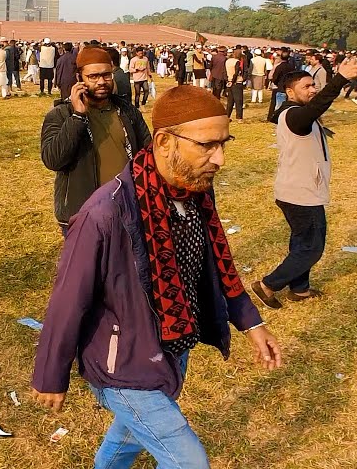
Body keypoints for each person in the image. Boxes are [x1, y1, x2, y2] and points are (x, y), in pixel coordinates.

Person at [31, 85, 282, 469]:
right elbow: (69, 298)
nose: (221, 159)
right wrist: (51, 373)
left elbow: (217, 259)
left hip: (173, 348)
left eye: (224, 144)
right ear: (164, 141)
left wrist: (251, 321)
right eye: (208, 146)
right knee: (189, 462)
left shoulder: (195, 191)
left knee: (127, 439)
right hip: (123, 365)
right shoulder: (106, 213)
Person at [250, 57, 357, 310]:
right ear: (289, 92)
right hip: (301, 193)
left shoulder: (297, 114)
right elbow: (316, 108)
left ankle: (299, 289)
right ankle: (268, 285)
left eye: (314, 85)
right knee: (312, 248)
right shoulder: (294, 115)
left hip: (302, 189)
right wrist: (340, 79)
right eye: (306, 86)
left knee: (301, 242)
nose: (313, 90)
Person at [41, 46, 152, 232]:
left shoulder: (127, 111)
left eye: (106, 75)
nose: (101, 82)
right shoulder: (61, 115)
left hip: (127, 208)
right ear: (79, 79)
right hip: (83, 214)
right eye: (93, 77)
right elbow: (53, 160)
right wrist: (77, 117)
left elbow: (147, 153)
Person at [224, 49, 248, 121]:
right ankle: (239, 117)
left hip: (229, 81)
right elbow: (236, 72)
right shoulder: (237, 62)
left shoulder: (227, 61)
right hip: (236, 82)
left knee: (230, 101)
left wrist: (227, 81)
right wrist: (233, 81)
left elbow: (224, 72)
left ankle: (227, 116)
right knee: (239, 101)